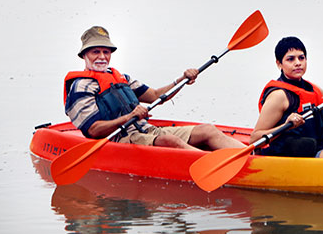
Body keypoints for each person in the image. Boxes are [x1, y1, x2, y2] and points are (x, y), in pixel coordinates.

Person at [64, 26, 244, 151]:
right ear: (84, 55)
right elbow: (93, 130)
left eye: (106, 52)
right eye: (96, 52)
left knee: (208, 130)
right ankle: (218, 165)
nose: (102, 57)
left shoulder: (121, 78)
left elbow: (155, 95)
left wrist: (182, 80)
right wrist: (129, 117)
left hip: (147, 130)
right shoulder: (81, 87)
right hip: (120, 139)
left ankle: (251, 155)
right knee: (169, 140)